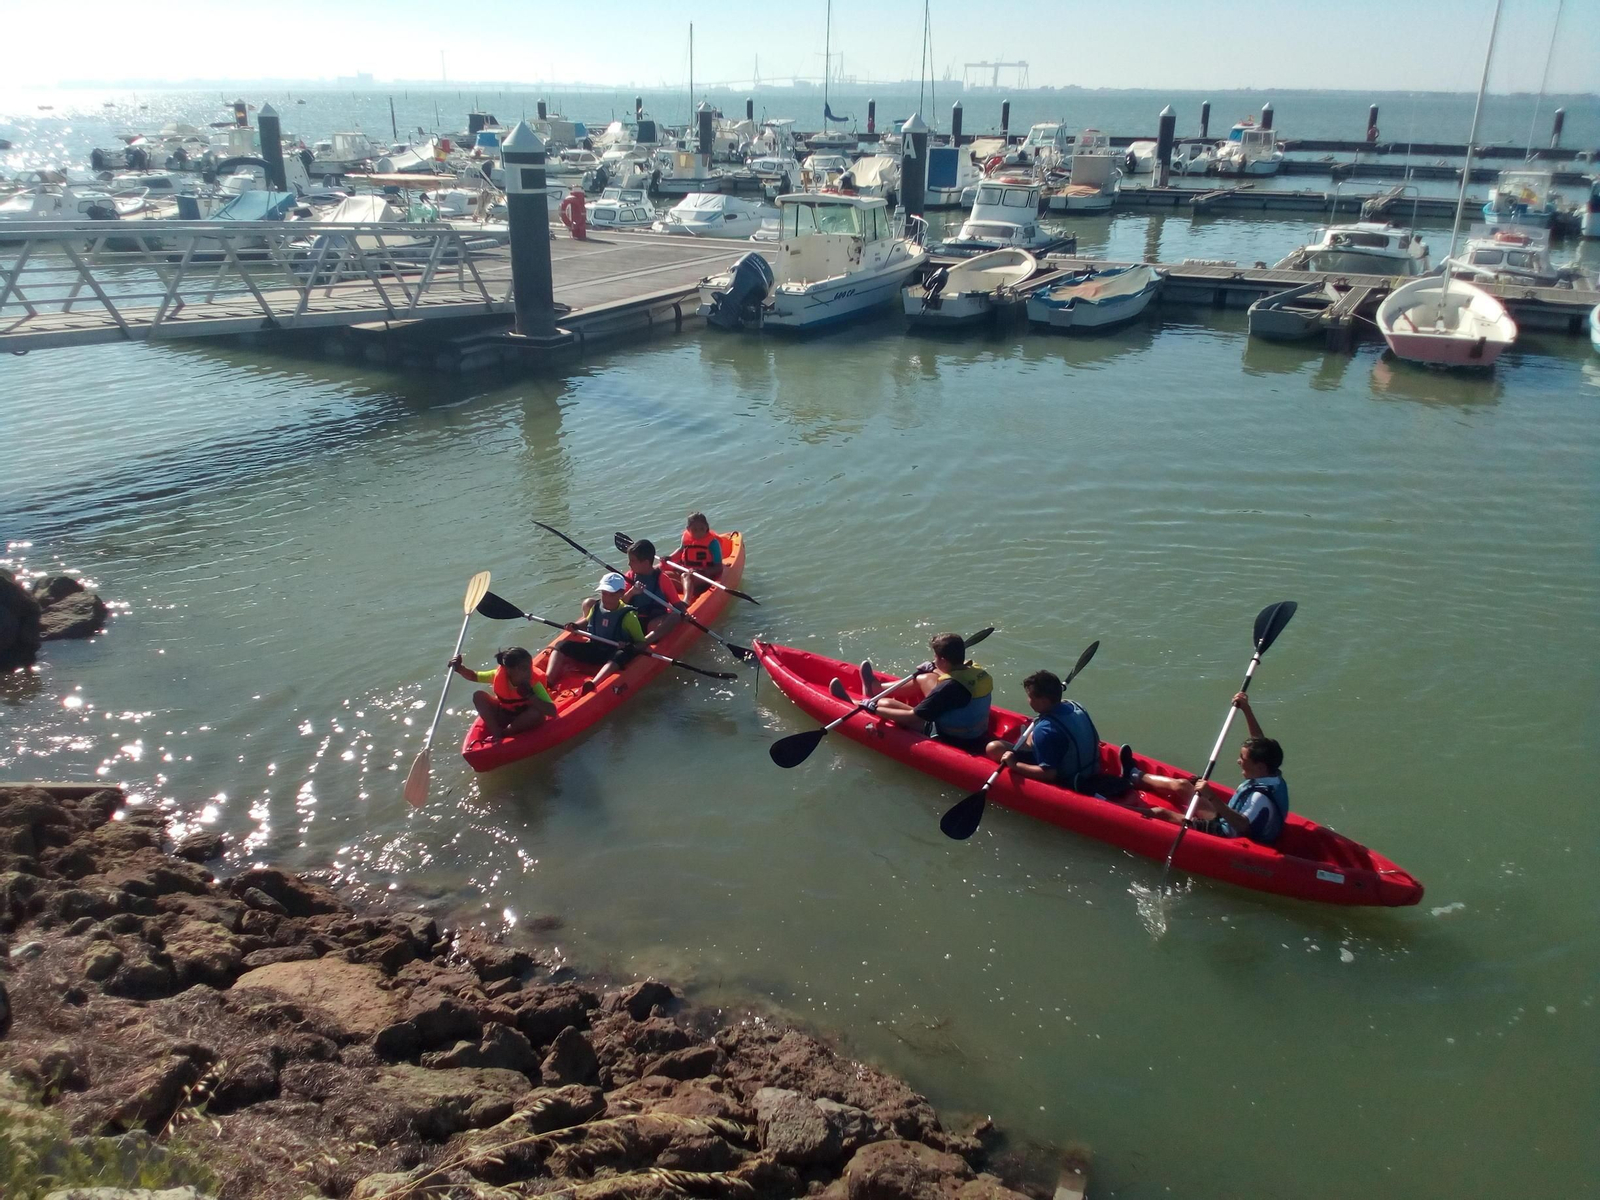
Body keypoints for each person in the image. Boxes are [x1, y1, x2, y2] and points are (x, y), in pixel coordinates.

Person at [1134, 693, 1289, 845]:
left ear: (1260, 766)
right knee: (1181, 785)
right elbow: (1260, 743)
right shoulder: (1273, 774)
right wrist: (1246, 710)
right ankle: (1134, 774)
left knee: (1161, 813)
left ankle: (1114, 809)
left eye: (1243, 759)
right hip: (1226, 819)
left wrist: (1211, 797)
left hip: (1225, 832)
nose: (1238, 761)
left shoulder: (1259, 797)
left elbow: (1242, 826)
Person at [852, 631, 994, 752]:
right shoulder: (975, 669)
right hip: (975, 731)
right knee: (918, 682)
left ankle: (853, 702)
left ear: (943, 660)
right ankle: (875, 688)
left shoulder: (948, 688)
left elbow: (912, 717)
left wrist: (874, 709)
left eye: (935, 657)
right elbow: (951, 676)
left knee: (883, 704)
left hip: (954, 738)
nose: (933, 660)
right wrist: (933, 669)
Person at [984, 669, 1112, 791]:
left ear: (1044, 701)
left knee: (994, 748)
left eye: (1030, 697)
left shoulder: (1045, 729)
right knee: (1033, 737)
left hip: (1069, 779)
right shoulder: (1076, 706)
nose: (1028, 700)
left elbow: (1049, 774)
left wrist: (1014, 765)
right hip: (1090, 768)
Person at [544, 573, 649, 695]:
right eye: (604, 593)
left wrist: (631, 646)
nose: (606, 598)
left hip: (613, 653)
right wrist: (576, 626)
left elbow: (642, 643)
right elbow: (588, 620)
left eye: (611, 594)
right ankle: (548, 681)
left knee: (621, 654)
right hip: (595, 648)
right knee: (561, 645)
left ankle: (594, 683)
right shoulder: (596, 607)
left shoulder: (629, 616)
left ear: (621, 594)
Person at [451, 647, 557, 738]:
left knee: (536, 714)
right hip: (505, 714)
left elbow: (552, 711)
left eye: (529, 667)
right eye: (524, 669)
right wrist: (460, 668)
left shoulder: (534, 683)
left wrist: (530, 695)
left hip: (526, 719)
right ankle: (496, 733)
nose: (529, 672)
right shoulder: (498, 675)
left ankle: (505, 734)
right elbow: (473, 676)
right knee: (478, 696)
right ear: (509, 670)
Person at [622, 539, 683, 644]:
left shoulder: (662, 579)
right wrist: (631, 593)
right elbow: (620, 603)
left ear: (645, 563)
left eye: (632, 560)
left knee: (675, 616)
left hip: (653, 623)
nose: (629, 564)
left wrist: (685, 615)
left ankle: (645, 642)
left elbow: (677, 605)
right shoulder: (630, 576)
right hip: (633, 621)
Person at [668, 511, 723, 601]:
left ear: (707, 527)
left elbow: (719, 567)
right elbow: (681, 550)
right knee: (660, 572)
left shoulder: (713, 543)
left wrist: (703, 571)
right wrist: (669, 558)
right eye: (694, 530)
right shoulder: (686, 538)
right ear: (688, 529)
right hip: (685, 571)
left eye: (702, 529)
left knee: (686, 576)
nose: (698, 533)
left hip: (703, 576)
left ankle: (686, 601)